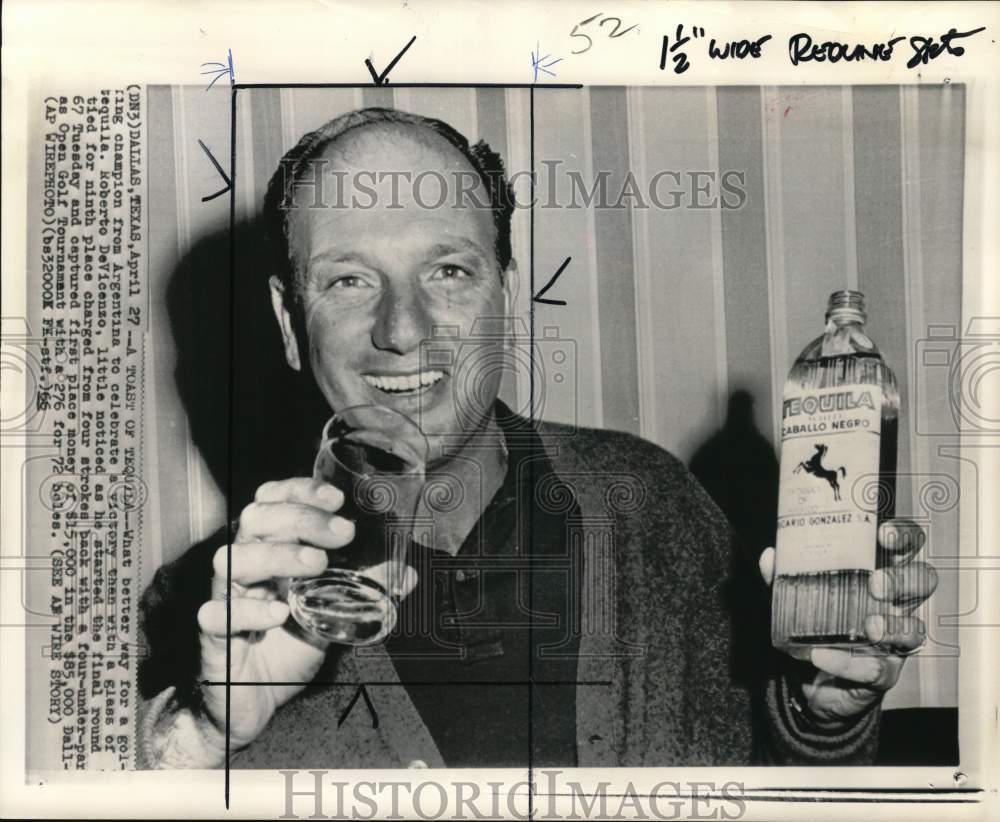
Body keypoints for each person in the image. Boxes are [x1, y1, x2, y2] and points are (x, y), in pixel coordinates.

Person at [138, 107, 937, 769]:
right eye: (349, 280)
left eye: (448, 271)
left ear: (506, 295)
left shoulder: (655, 506)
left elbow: (775, 778)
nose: (403, 329)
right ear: (288, 323)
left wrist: (820, 713)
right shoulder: (204, 610)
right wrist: (206, 731)